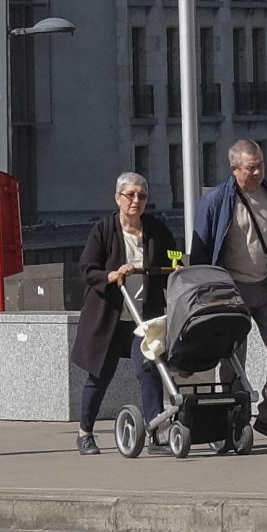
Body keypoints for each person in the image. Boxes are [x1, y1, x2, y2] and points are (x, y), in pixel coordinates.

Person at [189, 138, 267, 444]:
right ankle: (232, 423)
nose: (258, 172)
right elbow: (201, 249)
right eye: (251, 167)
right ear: (234, 168)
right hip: (230, 290)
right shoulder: (216, 201)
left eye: (261, 165)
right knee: (232, 358)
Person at [71, 172, 176, 454]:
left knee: (149, 367)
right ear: (118, 198)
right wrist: (111, 274)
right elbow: (87, 269)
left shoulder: (157, 230)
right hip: (109, 317)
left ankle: (156, 429)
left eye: (142, 196)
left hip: (143, 317)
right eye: (130, 195)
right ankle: (85, 432)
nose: (136, 201)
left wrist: (176, 271)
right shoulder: (104, 230)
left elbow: (172, 262)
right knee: (100, 374)